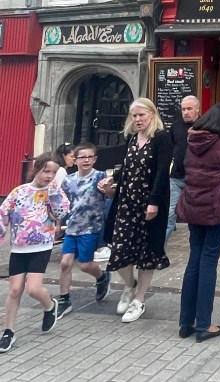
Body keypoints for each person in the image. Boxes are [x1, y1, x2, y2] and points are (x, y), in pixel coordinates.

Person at [98, 98, 172, 324]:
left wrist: (154, 201)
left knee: (147, 250)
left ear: (152, 114)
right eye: (134, 116)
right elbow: (129, 168)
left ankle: (139, 299)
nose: (138, 119)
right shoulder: (131, 139)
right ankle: (130, 286)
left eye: (142, 115)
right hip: (126, 202)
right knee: (120, 247)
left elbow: (161, 172)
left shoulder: (161, 138)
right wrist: (112, 180)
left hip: (148, 202)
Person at [175, 103, 220, 342]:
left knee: (194, 259)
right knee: (208, 262)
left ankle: (186, 323)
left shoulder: (192, 140)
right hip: (217, 209)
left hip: (194, 207)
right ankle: (204, 324)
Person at [0, 154, 70, 352]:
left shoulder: (53, 192)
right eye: (46, 171)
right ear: (37, 169)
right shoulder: (18, 192)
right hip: (19, 247)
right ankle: (8, 332)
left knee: (33, 288)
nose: (49, 176)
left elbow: (61, 212)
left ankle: (49, 306)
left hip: (41, 247)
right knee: (14, 290)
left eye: (54, 172)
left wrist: (55, 194)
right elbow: (3, 213)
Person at [56, 144, 111, 316]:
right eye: (82, 157)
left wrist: (108, 189)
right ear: (75, 160)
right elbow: (61, 204)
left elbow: (109, 195)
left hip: (91, 226)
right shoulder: (68, 180)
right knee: (65, 263)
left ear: (95, 159)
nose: (86, 160)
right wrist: (58, 224)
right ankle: (64, 299)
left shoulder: (100, 177)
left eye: (90, 157)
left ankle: (102, 278)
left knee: (85, 265)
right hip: (72, 227)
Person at [166, 94, 201, 246]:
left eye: (189, 109)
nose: (186, 112)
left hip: (196, 179)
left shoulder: (204, 126)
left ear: (197, 110)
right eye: (183, 109)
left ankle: (197, 245)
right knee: (169, 214)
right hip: (176, 177)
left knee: (197, 215)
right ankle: (158, 250)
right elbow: (170, 148)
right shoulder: (175, 126)